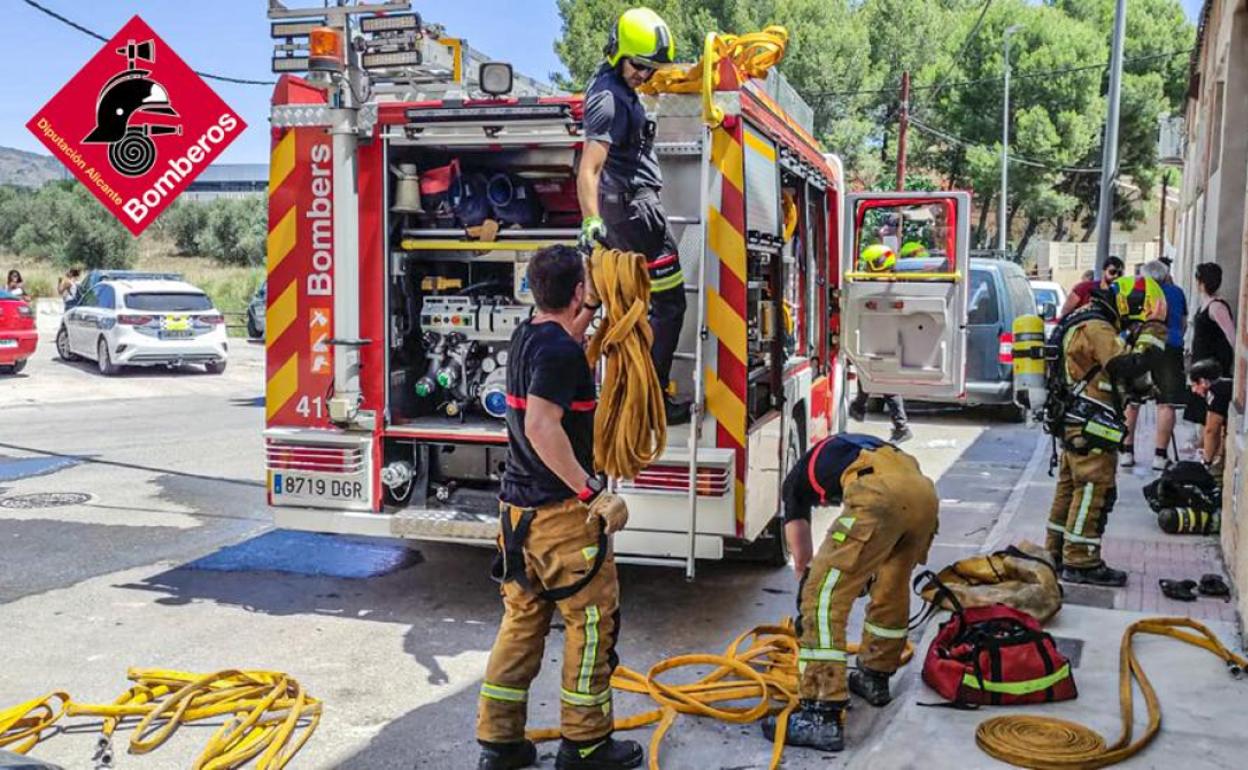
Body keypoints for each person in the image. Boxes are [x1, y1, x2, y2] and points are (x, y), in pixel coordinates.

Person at [476, 245, 641, 770]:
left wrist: (591, 312)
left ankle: (499, 745)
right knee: (591, 626)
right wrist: (593, 492)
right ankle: (586, 745)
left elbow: (561, 339)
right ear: (576, 291)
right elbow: (542, 426)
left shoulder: (527, 337)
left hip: (518, 516)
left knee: (522, 625)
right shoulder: (562, 354)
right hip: (562, 517)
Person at [761, 433, 939, 752]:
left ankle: (821, 713)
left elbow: (803, 562)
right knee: (891, 587)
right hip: (923, 494)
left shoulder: (796, 481)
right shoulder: (857, 447)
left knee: (821, 596)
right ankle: (875, 676)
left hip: (880, 496)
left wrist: (808, 593)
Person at [577, 7, 689, 426]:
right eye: (640, 65)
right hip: (638, 214)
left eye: (650, 68)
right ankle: (650, 402)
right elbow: (588, 168)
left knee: (643, 308)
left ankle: (634, 392)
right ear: (617, 53)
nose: (645, 74)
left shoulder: (613, 87)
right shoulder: (608, 99)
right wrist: (591, 221)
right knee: (670, 305)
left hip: (630, 208)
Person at [1045, 288, 1151, 586]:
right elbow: (1125, 365)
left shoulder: (1078, 321)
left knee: (1069, 488)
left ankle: (1054, 552)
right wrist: (1151, 334)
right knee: (1094, 489)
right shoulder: (1098, 327)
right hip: (1091, 423)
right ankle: (1081, 560)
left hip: (1072, 420)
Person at [848, 245, 913, 443]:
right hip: (879, 337)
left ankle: (901, 426)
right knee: (868, 374)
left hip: (886, 339)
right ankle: (859, 407)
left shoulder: (887, 285)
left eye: (868, 266)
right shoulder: (884, 283)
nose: (865, 270)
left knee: (884, 380)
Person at [1115, 268, 1175, 471]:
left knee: (1132, 401)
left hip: (1140, 345)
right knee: (1165, 403)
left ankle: (1126, 451)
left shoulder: (1135, 293)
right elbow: (1181, 322)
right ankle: (1160, 455)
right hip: (1169, 349)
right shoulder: (1175, 293)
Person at [1184, 263, 1236, 429]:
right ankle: (1203, 443)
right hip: (1203, 363)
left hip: (1213, 364)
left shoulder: (1216, 307)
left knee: (1213, 406)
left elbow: (1231, 335)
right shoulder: (1206, 305)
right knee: (1202, 404)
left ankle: (1209, 447)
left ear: (1201, 283)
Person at [1188, 358, 1231, 471]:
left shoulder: (1215, 392)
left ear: (1203, 382)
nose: (1193, 390)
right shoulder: (1224, 385)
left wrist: (1207, 462)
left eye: (1194, 385)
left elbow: (1211, 430)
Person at [1058, 256, 1124, 318]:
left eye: (1120, 274)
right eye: (1112, 272)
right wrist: (1082, 310)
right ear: (1103, 272)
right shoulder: (1084, 288)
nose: (1116, 276)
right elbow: (1065, 313)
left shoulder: (1120, 293)